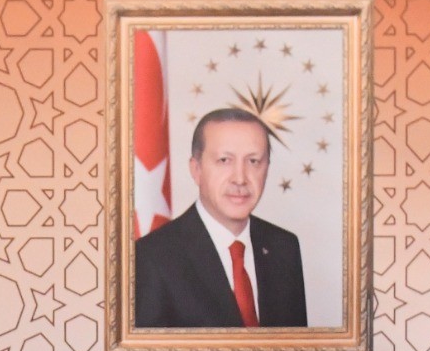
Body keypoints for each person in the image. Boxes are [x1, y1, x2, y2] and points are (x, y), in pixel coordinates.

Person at [131, 107, 308, 329]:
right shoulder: (152, 257)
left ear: (267, 169)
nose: (240, 178)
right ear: (196, 170)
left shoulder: (284, 247)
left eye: (253, 161)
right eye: (224, 160)